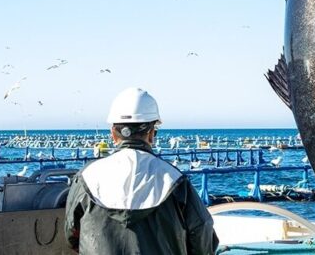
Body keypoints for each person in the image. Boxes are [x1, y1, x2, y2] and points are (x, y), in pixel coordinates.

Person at [64, 87, 219, 254]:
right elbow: (202, 233)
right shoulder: (174, 180)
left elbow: (71, 234)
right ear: (151, 134)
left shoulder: (86, 177)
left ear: (113, 135)